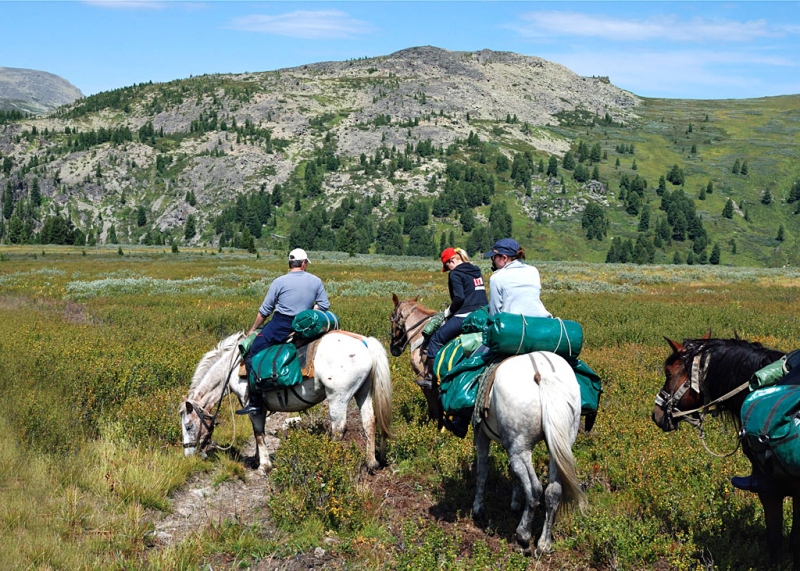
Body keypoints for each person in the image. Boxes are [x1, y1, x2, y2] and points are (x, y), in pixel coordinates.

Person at [236, 247, 330, 415]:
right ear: (303, 264)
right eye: (306, 263)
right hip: (303, 326)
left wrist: (252, 330)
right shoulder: (316, 281)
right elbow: (324, 305)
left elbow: (265, 311)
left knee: (251, 352)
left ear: (290, 264)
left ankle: (256, 402)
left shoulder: (279, 282)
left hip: (280, 325)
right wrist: (308, 312)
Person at [419, 247, 488, 389]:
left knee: (436, 339)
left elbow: (459, 298)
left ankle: (430, 378)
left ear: (452, 261)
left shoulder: (455, 274)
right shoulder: (476, 270)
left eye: (447, 266)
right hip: (483, 314)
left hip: (465, 315)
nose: (448, 269)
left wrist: (448, 312)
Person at [483, 238, 551, 318]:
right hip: (540, 321)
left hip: (514, 324)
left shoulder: (497, 278)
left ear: (504, 258)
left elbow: (494, 314)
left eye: (494, 257)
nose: (493, 261)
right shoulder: (533, 271)